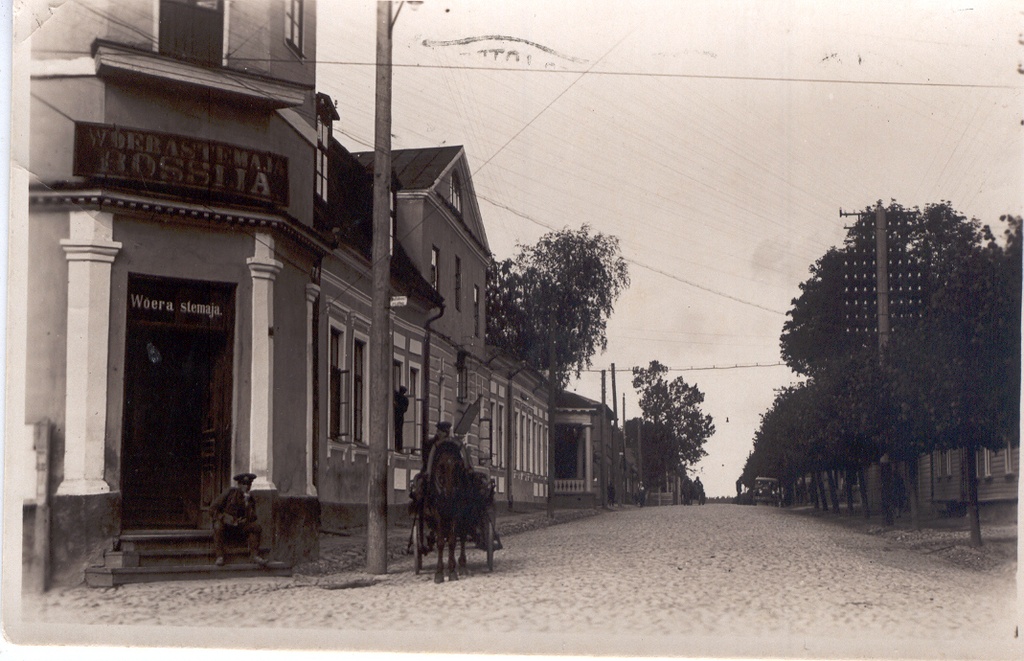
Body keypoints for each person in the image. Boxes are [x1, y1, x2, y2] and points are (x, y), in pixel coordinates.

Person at [210, 472, 267, 567]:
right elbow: (212, 509)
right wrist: (225, 517)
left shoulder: (250, 499)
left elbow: (253, 518)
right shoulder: (230, 493)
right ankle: (220, 556)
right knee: (217, 526)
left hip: (239, 528)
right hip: (226, 527)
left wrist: (247, 506)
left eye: (249, 484)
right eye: (244, 484)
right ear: (239, 485)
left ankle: (254, 555)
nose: (247, 486)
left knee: (256, 527)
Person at [394, 386, 409, 453]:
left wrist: (397, 406)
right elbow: (405, 409)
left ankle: (398, 447)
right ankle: (399, 447)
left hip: (397, 415)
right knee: (399, 432)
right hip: (400, 416)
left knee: (398, 431)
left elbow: (404, 409)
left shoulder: (399, 397)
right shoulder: (405, 399)